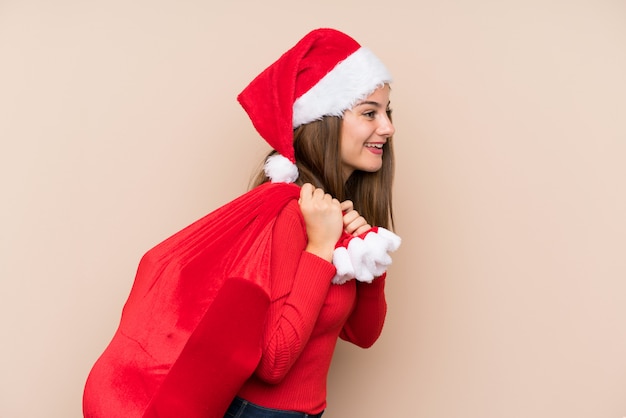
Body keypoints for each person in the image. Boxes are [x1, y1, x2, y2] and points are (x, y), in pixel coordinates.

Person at [83, 28, 400, 418]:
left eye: (387, 112)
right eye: (370, 112)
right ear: (323, 121)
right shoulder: (291, 215)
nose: (387, 127)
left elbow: (361, 335)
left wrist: (368, 253)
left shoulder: (327, 215)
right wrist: (320, 249)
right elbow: (273, 363)